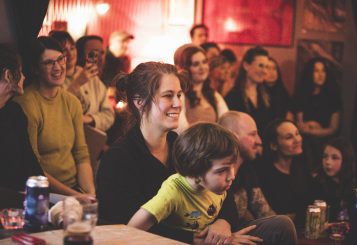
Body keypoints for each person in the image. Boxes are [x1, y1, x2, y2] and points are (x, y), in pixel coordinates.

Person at [97, 62, 267, 244]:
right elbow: (126, 225)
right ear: (139, 102)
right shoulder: (118, 158)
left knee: (279, 226)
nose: (178, 104)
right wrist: (195, 239)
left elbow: (223, 192)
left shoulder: (184, 144)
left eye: (179, 95)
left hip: (210, 235)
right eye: (168, 96)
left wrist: (222, 224)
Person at [128, 123, 263, 244]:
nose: (232, 176)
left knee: (280, 225)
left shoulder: (216, 186)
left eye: (232, 167)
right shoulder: (173, 192)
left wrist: (223, 224)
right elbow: (132, 229)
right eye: (222, 170)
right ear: (196, 172)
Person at [14, 37, 95, 196]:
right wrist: (76, 197)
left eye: (60, 59)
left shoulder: (72, 102)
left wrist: (90, 195)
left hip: (73, 189)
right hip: (43, 192)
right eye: (49, 63)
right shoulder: (27, 104)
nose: (57, 67)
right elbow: (34, 167)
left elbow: (81, 154)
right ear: (36, 68)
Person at [50, 31, 114, 132]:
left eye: (72, 48)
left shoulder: (92, 77)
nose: (70, 53)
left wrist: (89, 119)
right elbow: (54, 111)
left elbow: (109, 114)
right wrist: (77, 83)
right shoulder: (52, 80)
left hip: (91, 139)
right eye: (64, 50)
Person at [0, 43, 43, 191]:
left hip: (21, 200)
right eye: (20, 71)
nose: (24, 77)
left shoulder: (15, 112)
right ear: (8, 75)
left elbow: (32, 166)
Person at [218, 111, 276, 223]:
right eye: (252, 134)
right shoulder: (215, 174)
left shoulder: (247, 169)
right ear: (232, 136)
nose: (259, 141)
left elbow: (264, 214)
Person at [257, 119, 313, 227]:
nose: (297, 139)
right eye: (289, 137)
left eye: (297, 133)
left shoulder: (302, 167)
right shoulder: (263, 173)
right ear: (274, 145)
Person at [294, 57, 342, 172]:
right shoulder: (302, 94)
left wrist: (312, 129)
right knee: (305, 144)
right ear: (310, 73)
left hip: (326, 142)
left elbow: (333, 129)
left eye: (323, 71)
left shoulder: (333, 97)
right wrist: (311, 125)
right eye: (316, 71)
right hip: (305, 141)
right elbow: (300, 125)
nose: (320, 75)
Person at [225, 46, 272, 134]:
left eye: (266, 67)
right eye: (260, 66)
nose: (265, 71)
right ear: (246, 65)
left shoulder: (268, 95)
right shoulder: (233, 96)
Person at [176, 46, 228, 125]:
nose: (202, 67)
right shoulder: (180, 95)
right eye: (196, 64)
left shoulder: (214, 95)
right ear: (186, 68)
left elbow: (227, 123)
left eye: (204, 62)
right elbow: (180, 128)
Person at [312, 137, 356, 221]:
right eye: (325, 156)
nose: (327, 162)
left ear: (345, 160)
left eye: (334, 158)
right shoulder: (317, 184)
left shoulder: (354, 186)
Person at [264, 57, 294, 121]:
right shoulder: (257, 92)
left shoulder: (282, 92)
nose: (271, 72)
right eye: (268, 68)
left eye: (274, 68)